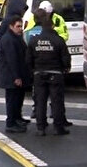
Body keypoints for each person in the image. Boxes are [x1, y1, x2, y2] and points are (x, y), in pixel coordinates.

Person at [26, 8, 70, 136]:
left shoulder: (34, 41)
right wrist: (65, 68)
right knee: (57, 102)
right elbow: (65, 58)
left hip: (39, 74)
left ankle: (41, 128)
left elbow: (28, 59)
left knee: (40, 102)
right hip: (55, 74)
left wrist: (33, 71)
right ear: (52, 26)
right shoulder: (58, 40)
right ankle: (58, 127)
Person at [0, 16, 30, 133]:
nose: (20, 29)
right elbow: (12, 59)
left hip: (17, 74)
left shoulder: (16, 37)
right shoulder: (8, 40)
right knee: (12, 100)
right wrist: (16, 77)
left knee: (18, 98)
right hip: (10, 77)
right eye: (18, 26)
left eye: (21, 26)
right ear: (11, 26)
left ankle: (17, 118)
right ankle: (11, 123)